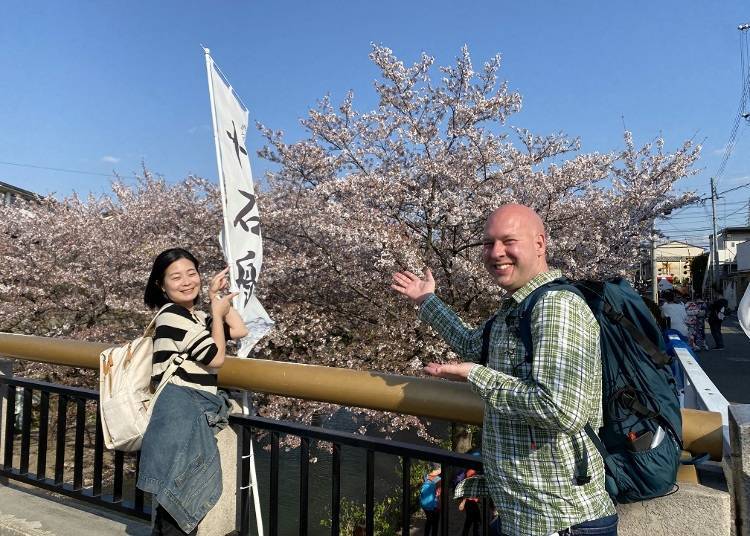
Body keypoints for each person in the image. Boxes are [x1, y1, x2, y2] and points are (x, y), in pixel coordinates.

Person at [392, 204, 617, 536]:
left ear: (540, 244)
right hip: (525, 515)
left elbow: (562, 409)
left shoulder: (556, 306)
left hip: (559, 520)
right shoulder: (518, 307)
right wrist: (427, 300)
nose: (496, 252)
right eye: (488, 243)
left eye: (509, 241)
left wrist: (475, 375)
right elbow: (473, 346)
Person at [136, 248, 248, 535]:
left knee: (177, 499)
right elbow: (216, 357)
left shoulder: (194, 316)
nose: (186, 281)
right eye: (176, 277)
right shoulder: (172, 316)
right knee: (179, 499)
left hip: (186, 415)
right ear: (161, 285)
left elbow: (238, 329)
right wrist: (216, 313)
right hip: (178, 415)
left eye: (191, 273)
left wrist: (216, 300)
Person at [457, 468, 481, 536]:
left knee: (471, 521)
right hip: (470, 504)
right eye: (473, 475)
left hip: (471, 504)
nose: (475, 475)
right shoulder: (468, 482)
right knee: (473, 521)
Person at [420, 465, 441, 536]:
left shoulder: (426, 477)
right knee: (435, 524)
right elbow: (438, 494)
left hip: (426, 505)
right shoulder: (437, 480)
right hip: (433, 506)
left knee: (429, 521)